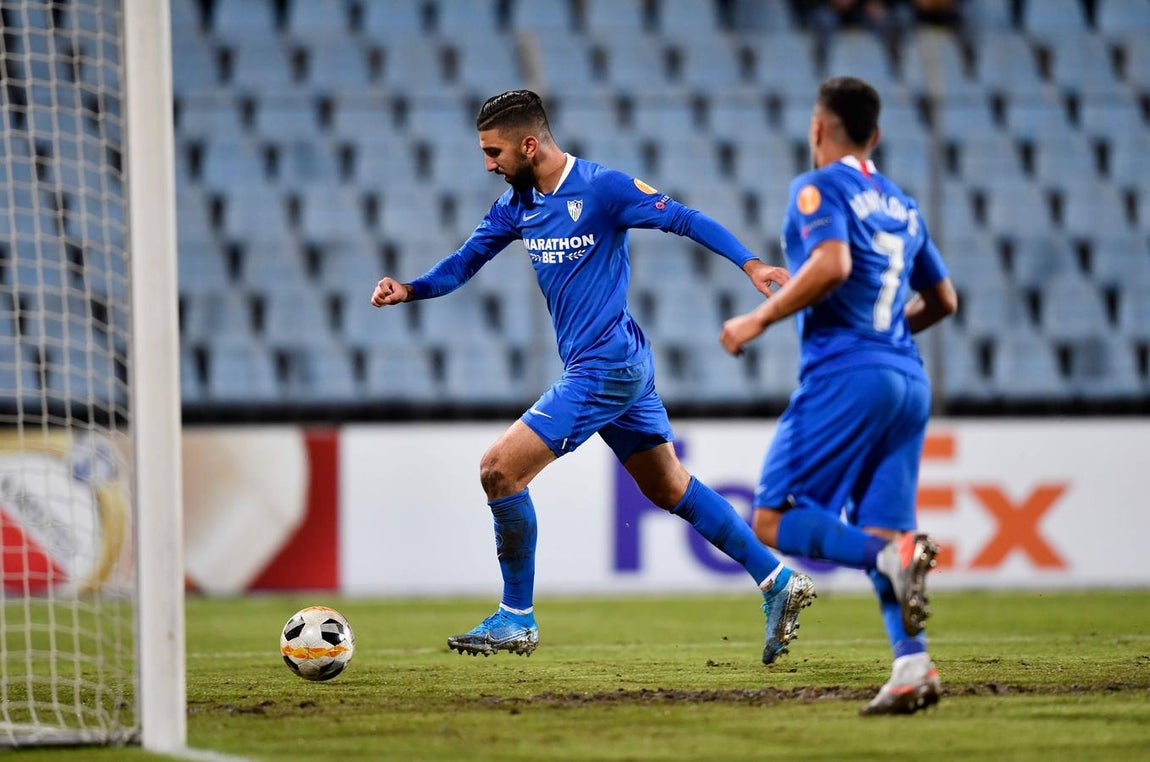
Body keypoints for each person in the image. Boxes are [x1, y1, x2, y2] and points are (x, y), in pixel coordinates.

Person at [371, 90, 815, 664]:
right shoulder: (517, 205)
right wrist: (410, 288)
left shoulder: (602, 189)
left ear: (529, 144)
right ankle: (777, 580)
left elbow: (682, 218)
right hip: (619, 364)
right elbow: (462, 263)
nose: (488, 164)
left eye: (494, 151)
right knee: (667, 486)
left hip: (605, 365)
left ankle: (516, 617)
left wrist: (751, 264)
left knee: (498, 471)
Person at [719, 76, 958, 715]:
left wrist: (755, 320)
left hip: (846, 376)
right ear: (874, 136)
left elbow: (831, 265)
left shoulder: (817, 186)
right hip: (908, 380)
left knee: (772, 518)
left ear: (818, 129)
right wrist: (884, 336)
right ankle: (911, 665)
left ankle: (888, 557)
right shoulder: (905, 204)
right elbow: (945, 300)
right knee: (885, 528)